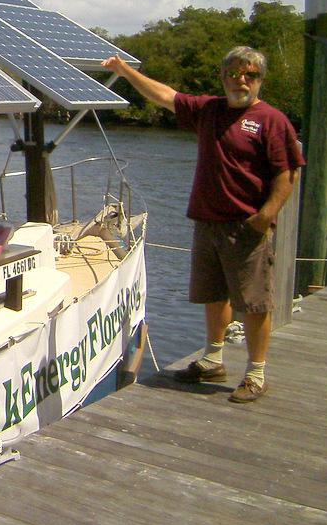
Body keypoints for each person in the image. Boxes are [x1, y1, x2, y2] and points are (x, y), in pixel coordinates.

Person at [102, 47, 303, 404]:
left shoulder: (272, 121)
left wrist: (264, 217)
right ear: (223, 77)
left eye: (251, 75)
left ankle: (255, 373)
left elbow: (287, 174)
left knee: (255, 303)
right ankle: (213, 359)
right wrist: (124, 70)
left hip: (246, 227)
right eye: (234, 74)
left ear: (260, 80)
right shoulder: (209, 110)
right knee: (213, 294)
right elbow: (164, 96)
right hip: (207, 222)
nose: (242, 81)